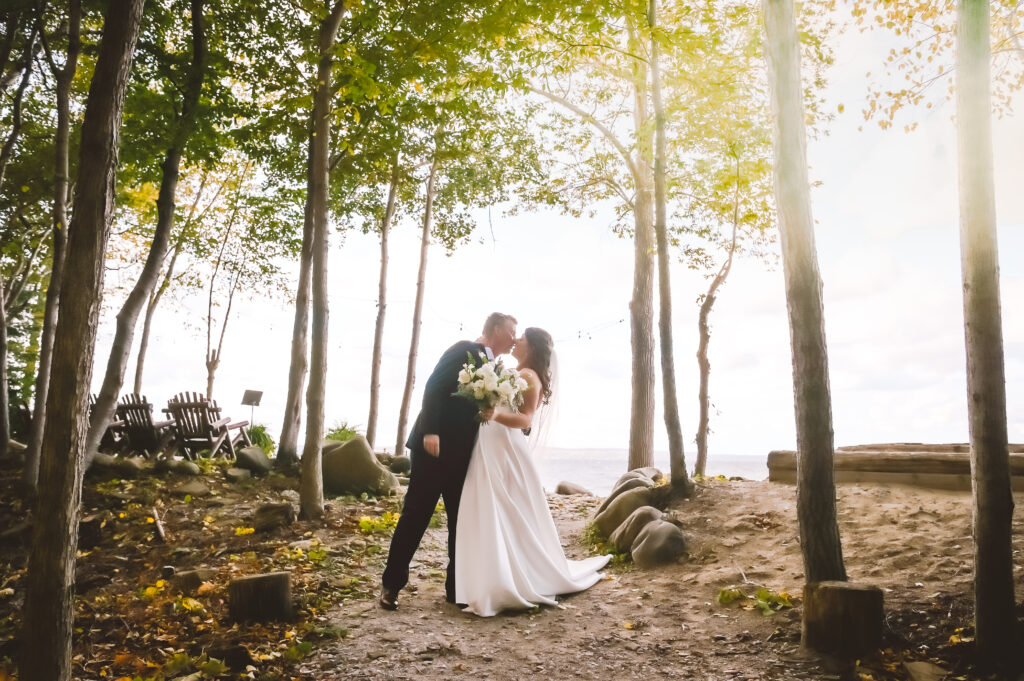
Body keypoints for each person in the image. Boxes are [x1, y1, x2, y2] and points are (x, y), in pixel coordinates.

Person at [455, 327, 610, 616]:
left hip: (505, 447)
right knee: (493, 507)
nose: (516, 341)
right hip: (490, 443)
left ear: (532, 346)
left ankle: (513, 576)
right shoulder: (514, 371)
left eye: (521, 338)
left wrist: (496, 413)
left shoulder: (528, 377)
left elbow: (526, 419)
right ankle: (489, 576)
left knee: (506, 508)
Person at [379, 312, 518, 610]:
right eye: (511, 331)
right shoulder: (463, 350)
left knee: (460, 521)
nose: (514, 338)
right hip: (434, 449)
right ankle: (391, 585)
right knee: (416, 515)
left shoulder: (495, 365)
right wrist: (430, 431)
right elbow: (433, 388)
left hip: (464, 455)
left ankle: (456, 588)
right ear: (494, 329)